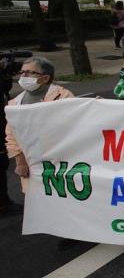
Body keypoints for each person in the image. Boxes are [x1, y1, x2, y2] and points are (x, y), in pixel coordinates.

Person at [5, 57, 75, 190]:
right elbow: (11, 136)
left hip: (60, 160)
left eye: (29, 73)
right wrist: (20, 162)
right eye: (22, 72)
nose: (23, 76)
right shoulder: (15, 103)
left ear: (45, 78)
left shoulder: (63, 96)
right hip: (32, 164)